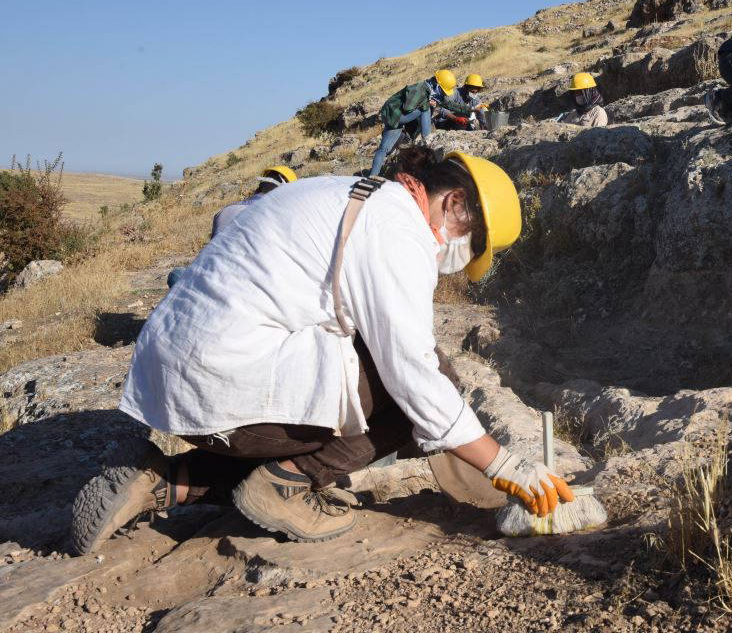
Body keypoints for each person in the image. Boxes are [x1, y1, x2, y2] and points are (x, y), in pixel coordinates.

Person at [70, 147, 576, 553]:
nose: (460, 253)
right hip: (222, 381)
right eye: (471, 240)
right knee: (415, 390)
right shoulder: (398, 231)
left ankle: (165, 480)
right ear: (455, 204)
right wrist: (504, 466)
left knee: (388, 380)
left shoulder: (355, 193)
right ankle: (284, 486)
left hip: (182, 379)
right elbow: (414, 374)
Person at [166, 166, 297, 288]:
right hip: (249, 285)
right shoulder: (278, 215)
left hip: (213, 281)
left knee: (176, 275)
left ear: (260, 186)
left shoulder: (225, 211)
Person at [369, 70, 457, 175]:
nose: (442, 93)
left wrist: (470, 109)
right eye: (442, 91)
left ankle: (372, 176)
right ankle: (427, 139)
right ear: (437, 85)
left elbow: (448, 104)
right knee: (426, 109)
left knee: (384, 149)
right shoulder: (419, 89)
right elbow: (408, 107)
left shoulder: (430, 93)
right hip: (397, 117)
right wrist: (426, 103)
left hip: (395, 121)